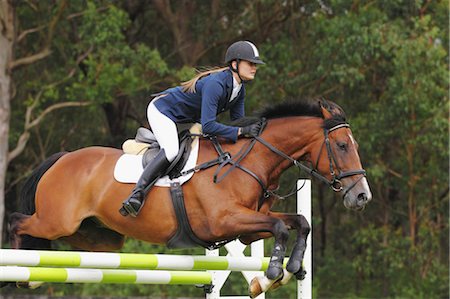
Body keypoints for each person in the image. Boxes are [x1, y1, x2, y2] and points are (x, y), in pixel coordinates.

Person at [120, 41, 265, 217]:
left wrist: (263, 124)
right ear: (235, 64)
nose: (254, 68)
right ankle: (137, 194)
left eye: (255, 64)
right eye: (250, 63)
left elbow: (238, 121)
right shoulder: (216, 84)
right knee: (172, 151)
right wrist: (241, 132)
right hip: (164, 111)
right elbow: (209, 126)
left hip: (187, 120)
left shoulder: (239, 89)